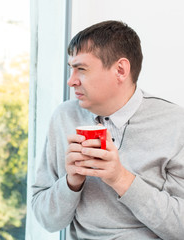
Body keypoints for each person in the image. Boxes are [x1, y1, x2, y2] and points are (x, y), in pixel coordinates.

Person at [31, 20, 184, 239]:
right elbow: (47, 220)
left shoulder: (176, 124)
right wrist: (71, 183)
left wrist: (120, 178)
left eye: (81, 69)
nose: (71, 81)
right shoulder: (64, 117)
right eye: (71, 69)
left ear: (120, 70)